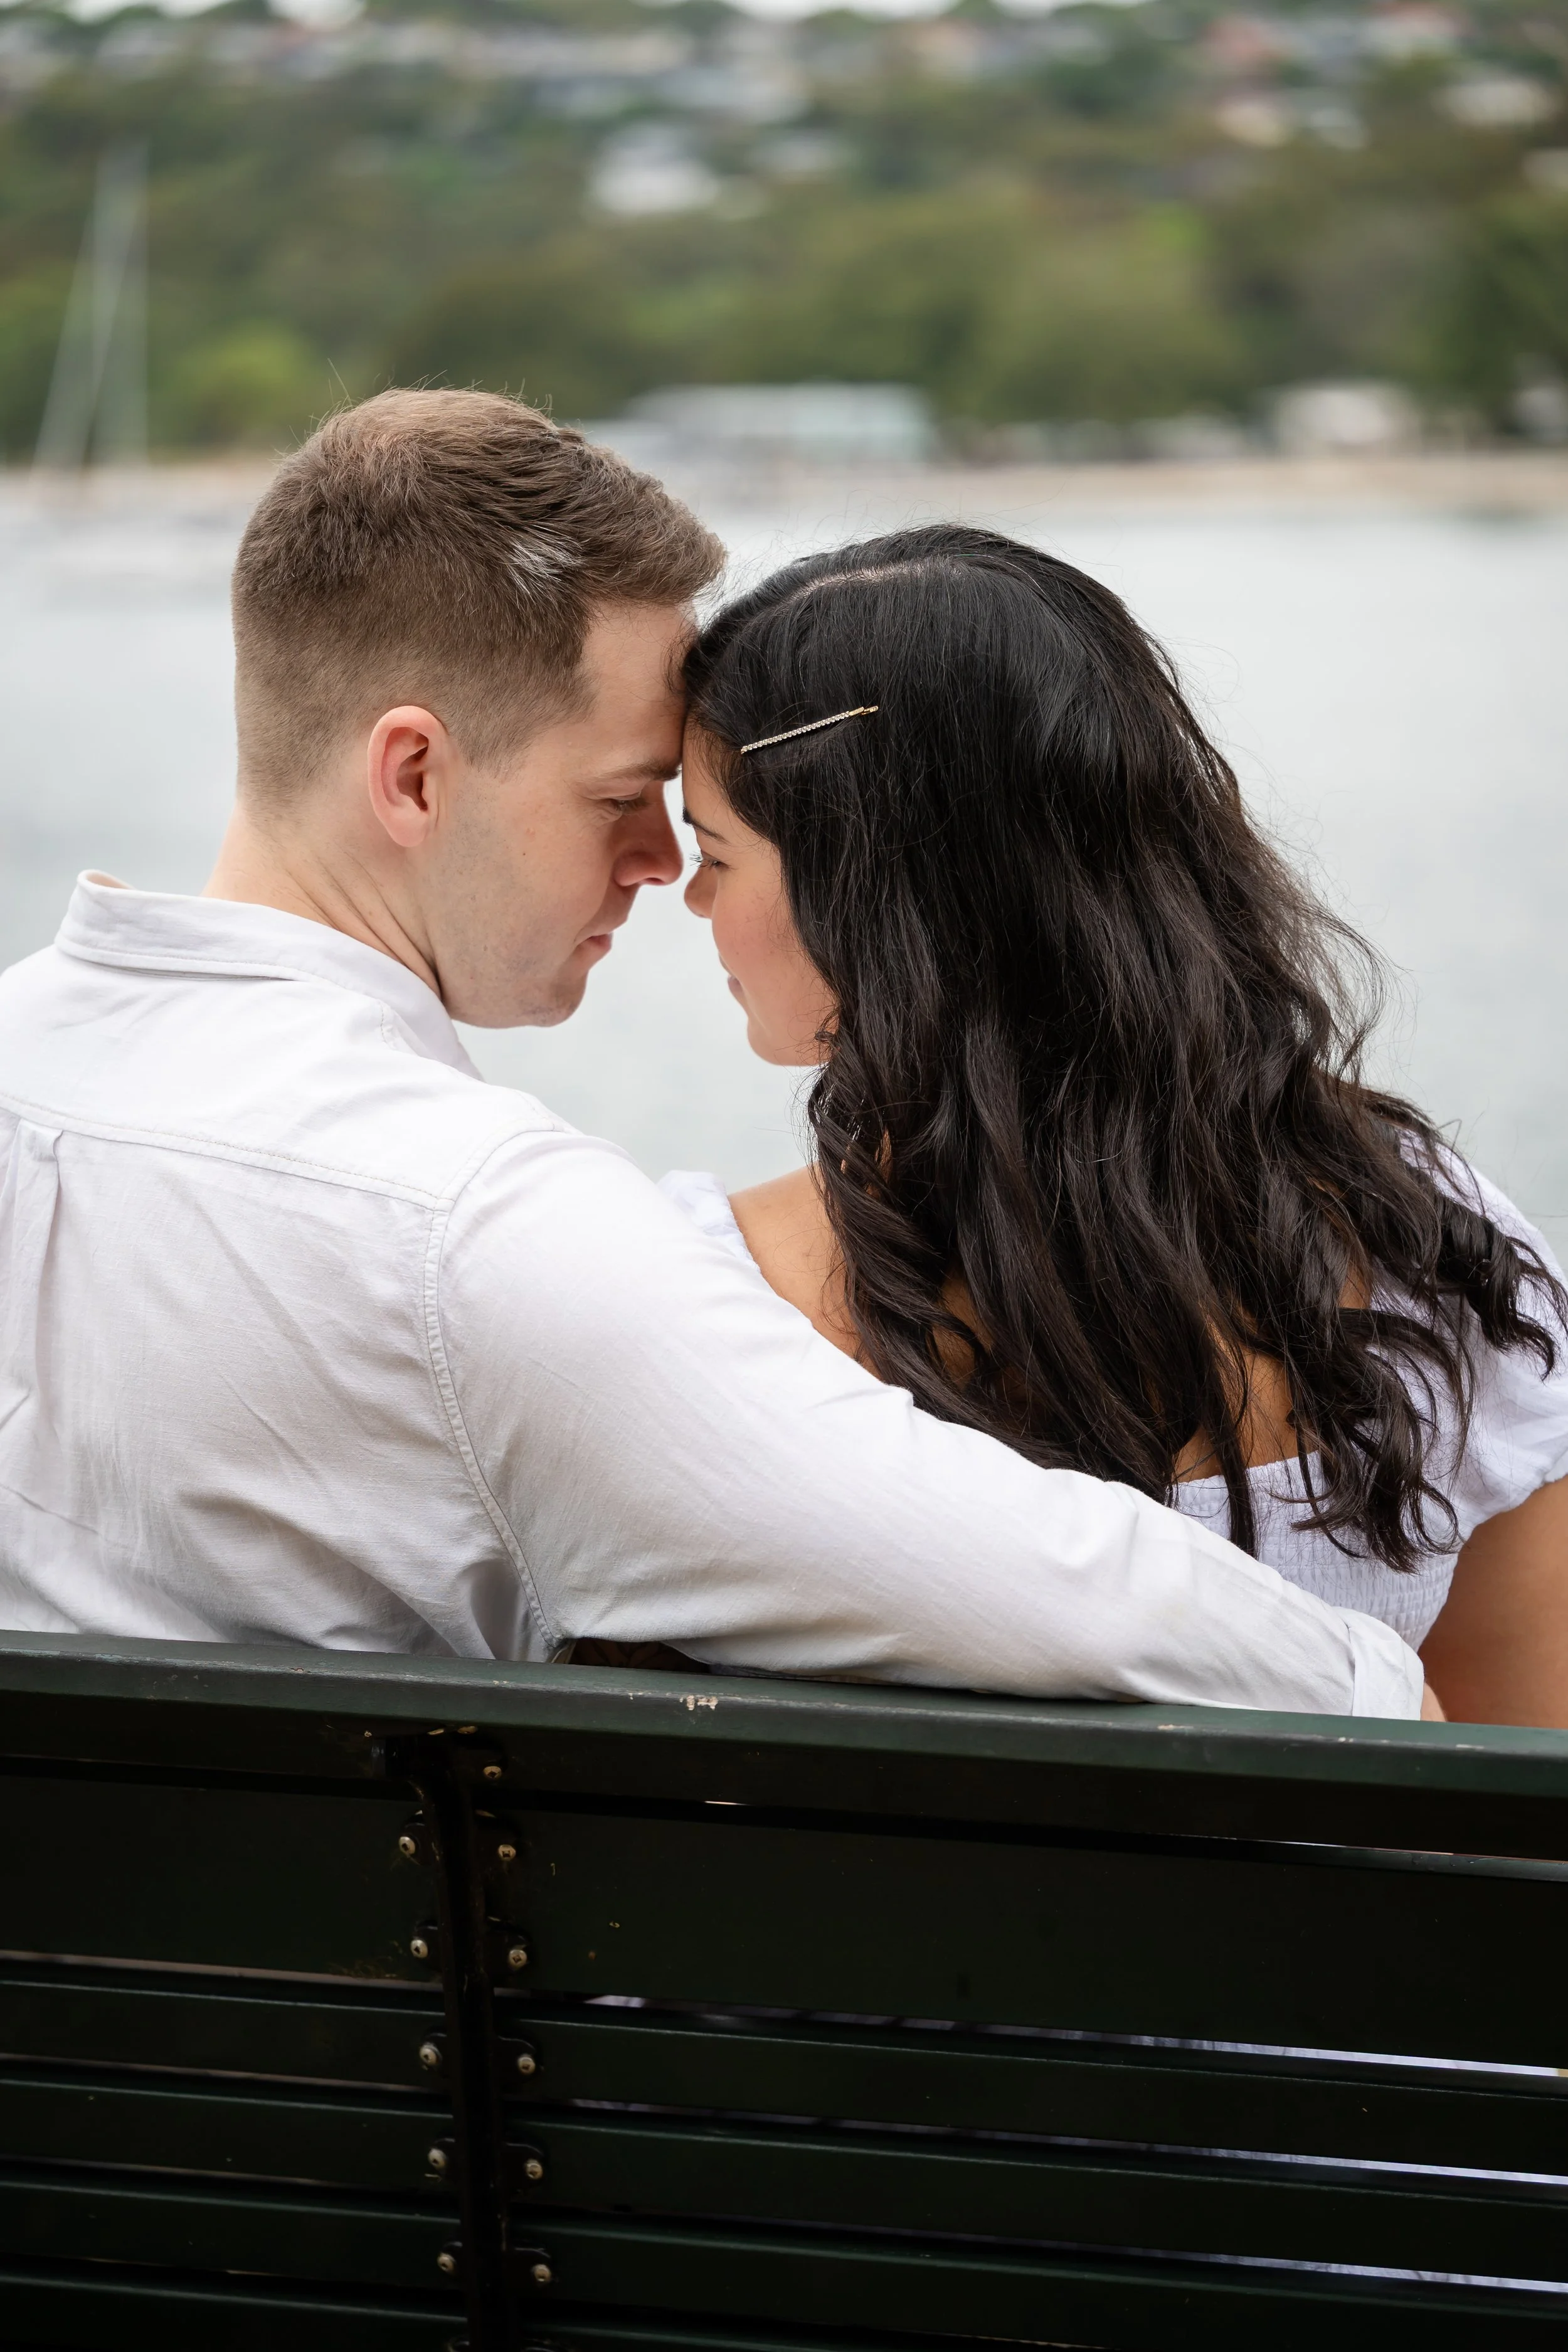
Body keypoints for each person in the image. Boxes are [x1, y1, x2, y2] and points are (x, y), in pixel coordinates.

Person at [0, 393, 1428, 1717]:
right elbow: (981, 1564)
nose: (657, 862)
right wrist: (1360, 1682)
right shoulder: (461, 1223)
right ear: (414, 774)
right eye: (623, 795)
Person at [674, 524, 1568, 1726]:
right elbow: (1522, 1768)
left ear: (875, 895)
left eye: (716, 852)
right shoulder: (1417, 1233)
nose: (692, 900)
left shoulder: (719, 1302)